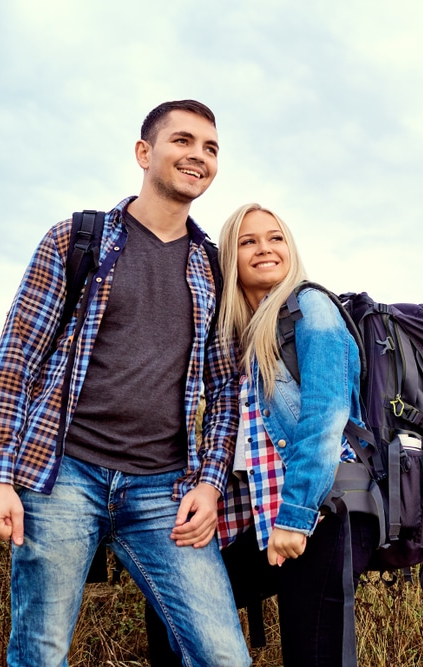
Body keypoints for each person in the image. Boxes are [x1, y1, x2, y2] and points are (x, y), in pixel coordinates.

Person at [0, 100, 251, 667]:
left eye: (211, 148)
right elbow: (17, 357)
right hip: (63, 477)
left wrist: (212, 483)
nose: (198, 155)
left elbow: (226, 392)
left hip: (164, 491)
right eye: (183, 141)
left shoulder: (214, 268)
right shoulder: (78, 239)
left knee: (225, 657)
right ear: (144, 152)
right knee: (40, 652)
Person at [150, 203, 381, 666]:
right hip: (258, 520)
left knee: (313, 655)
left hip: (320, 512)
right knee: (171, 606)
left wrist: (295, 518)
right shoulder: (236, 336)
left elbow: (324, 419)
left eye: (275, 238)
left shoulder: (310, 308)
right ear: (230, 259)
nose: (264, 249)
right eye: (248, 241)